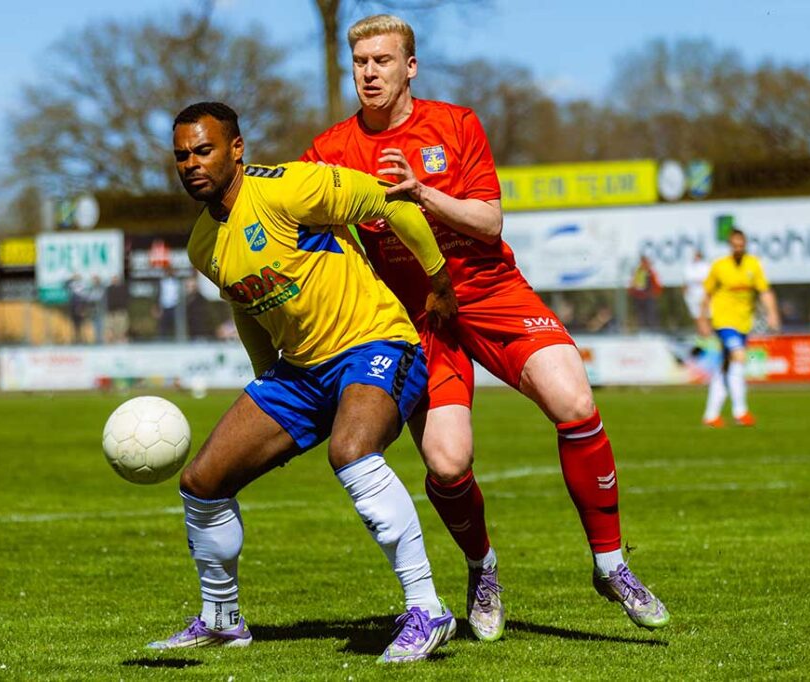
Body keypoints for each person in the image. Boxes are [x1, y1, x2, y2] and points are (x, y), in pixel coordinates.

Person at [303, 14, 669, 639]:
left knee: (575, 400)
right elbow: (309, 228)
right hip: (416, 318)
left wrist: (422, 194)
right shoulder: (330, 152)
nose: (370, 73)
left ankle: (610, 563)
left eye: (383, 61)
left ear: (409, 67)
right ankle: (483, 567)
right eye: (360, 63)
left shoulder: (456, 124)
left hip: (489, 290)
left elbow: (490, 222)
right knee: (447, 465)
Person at [148, 101, 460, 663]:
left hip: (376, 341)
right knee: (202, 481)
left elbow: (390, 203)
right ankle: (222, 619)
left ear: (236, 149)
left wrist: (438, 280)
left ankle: (427, 608)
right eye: (181, 156)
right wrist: (264, 376)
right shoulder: (203, 244)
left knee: (351, 451)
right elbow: (248, 307)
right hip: (300, 370)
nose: (192, 163)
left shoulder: (290, 187)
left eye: (204, 150)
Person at [698, 228, 780, 427]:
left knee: (725, 367)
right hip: (723, 321)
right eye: (734, 245)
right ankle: (740, 411)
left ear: (745, 245)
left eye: (741, 245)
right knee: (739, 357)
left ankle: (711, 415)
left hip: (743, 323)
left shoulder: (753, 264)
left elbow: (765, 291)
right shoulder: (719, 266)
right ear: (730, 245)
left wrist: (772, 314)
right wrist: (702, 319)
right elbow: (707, 294)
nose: (738, 248)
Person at [628, 255, 663, 331]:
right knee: (641, 315)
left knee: (651, 315)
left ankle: (654, 330)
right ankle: (643, 330)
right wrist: (632, 291)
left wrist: (655, 293)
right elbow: (633, 283)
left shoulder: (651, 272)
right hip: (639, 297)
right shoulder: (637, 271)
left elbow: (656, 283)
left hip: (649, 297)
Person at [683, 249, 709, 323]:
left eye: (697, 255)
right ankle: (700, 332)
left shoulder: (706, 266)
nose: (696, 257)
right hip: (692, 294)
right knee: (695, 315)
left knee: (706, 314)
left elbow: (707, 280)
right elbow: (686, 281)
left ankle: (708, 332)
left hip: (703, 294)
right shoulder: (688, 266)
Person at [156, 266, 181, 340]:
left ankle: (177, 340)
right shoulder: (162, 282)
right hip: (164, 307)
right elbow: (158, 294)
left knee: (176, 325)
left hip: (174, 306)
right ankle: (162, 341)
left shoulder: (177, 282)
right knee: (162, 326)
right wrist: (157, 307)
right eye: (168, 271)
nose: (170, 273)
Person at [104, 276, 130, 343]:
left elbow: (126, 299)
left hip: (121, 311)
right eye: (113, 279)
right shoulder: (109, 289)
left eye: (116, 279)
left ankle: (121, 339)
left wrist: (124, 308)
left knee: (122, 326)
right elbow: (108, 300)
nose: (114, 280)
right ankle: (112, 340)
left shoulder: (123, 288)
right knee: (111, 327)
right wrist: (109, 309)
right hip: (112, 311)